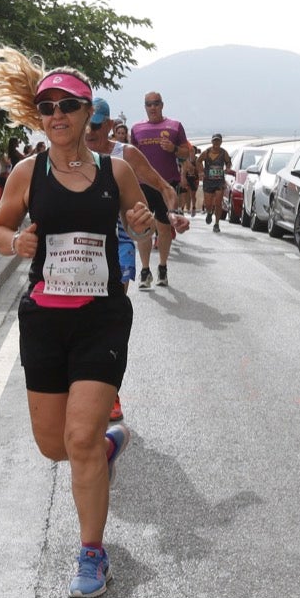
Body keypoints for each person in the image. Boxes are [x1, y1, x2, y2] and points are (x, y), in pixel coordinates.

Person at [0, 49, 156, 598]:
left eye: (69, 106)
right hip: (44, 322)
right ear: (38, 115)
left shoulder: (115, 170)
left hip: (102, 317)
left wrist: (142, 223)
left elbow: (137, 224)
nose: (58, 114)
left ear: (86, 114)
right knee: (55, 446)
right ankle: (106, 448)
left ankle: (91, 553)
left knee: (79, 438)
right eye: (47, 106)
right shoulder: (27, 174)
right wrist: (15, 242)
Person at [85, 96, 191, 422]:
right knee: (84, 324)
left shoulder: (124, 154)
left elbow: (159, 185)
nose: (90, 132)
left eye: (97, 125)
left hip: (119, 245)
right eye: (87, 124)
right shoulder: (68, 154)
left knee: (110, 319)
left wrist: (170, 213)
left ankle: (111, 393)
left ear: (107, 125)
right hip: (81, 252)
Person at [128, 91, 190, 289]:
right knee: (143, 228)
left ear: (162, 105)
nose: (152, 107)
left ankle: (162, 267)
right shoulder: (137, 128)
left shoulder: (174, 126)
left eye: (156, 103)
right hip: (142, 185)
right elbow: (131, 156)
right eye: (148, 104)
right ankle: (145, 271)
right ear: (144, 107)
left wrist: (173, 148)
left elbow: (186, 152)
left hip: (166, 185)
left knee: (164, 228)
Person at [198, 134, 233, 232]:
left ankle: (216, 224)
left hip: (219, 181)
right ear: (212, 141)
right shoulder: (207, 152)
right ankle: (209, 212)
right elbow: (198, 161)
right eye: (214, 141)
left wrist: (228, 168)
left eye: (218, 141)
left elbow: (228, 162)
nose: (216, 143)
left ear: (221, 142)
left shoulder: (223, 152)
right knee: (208, 204)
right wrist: (201, 172)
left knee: (218, 203)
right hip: (208, 181)